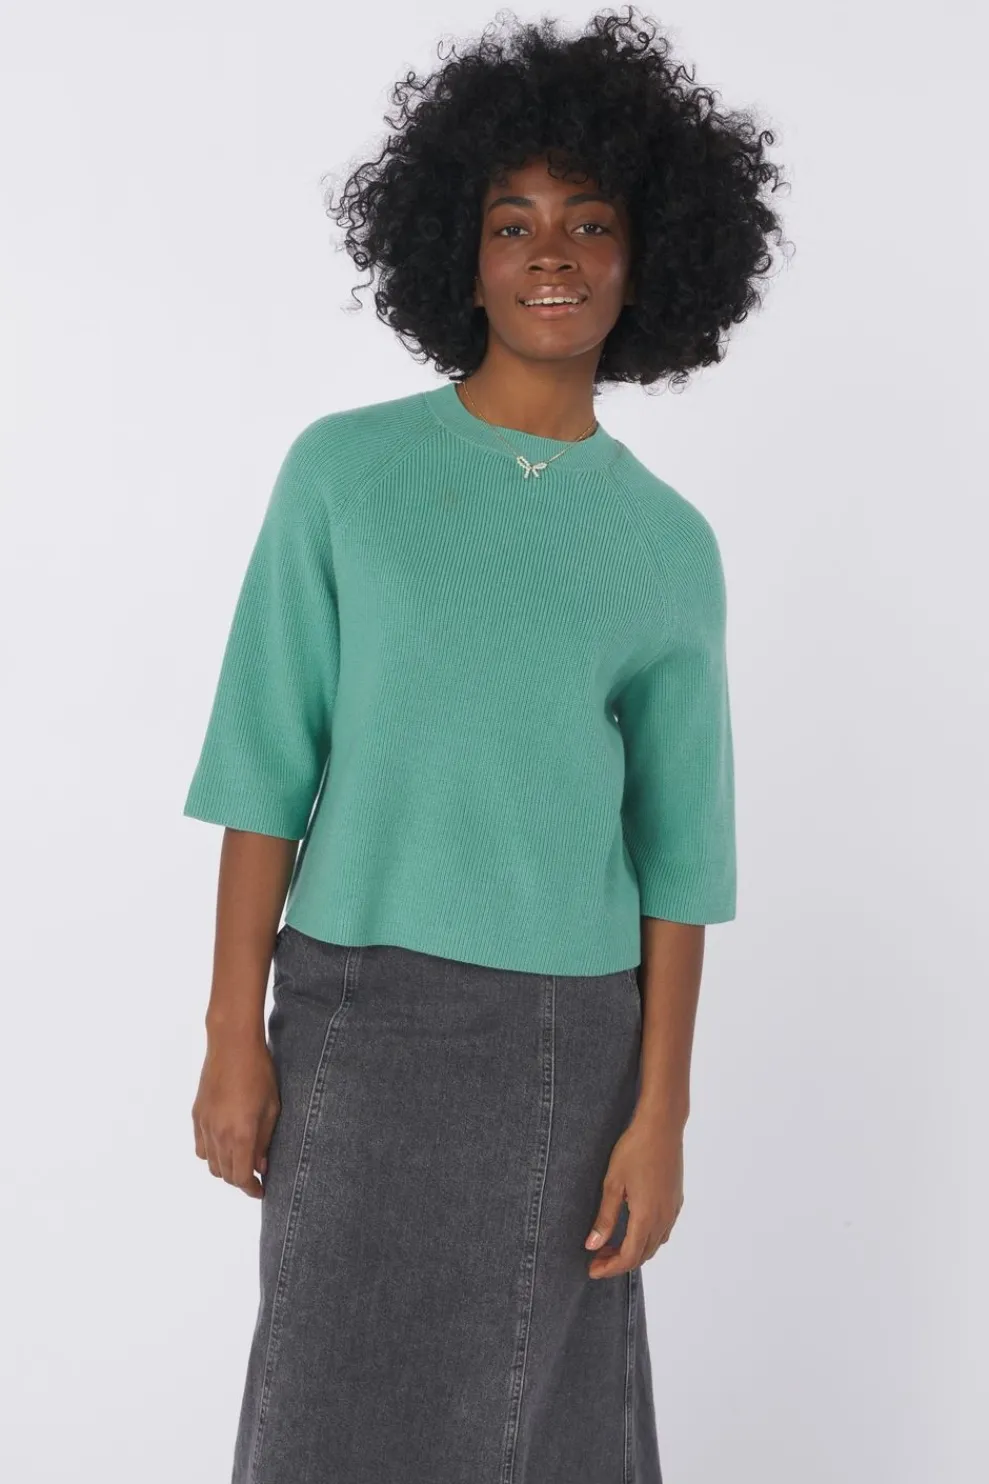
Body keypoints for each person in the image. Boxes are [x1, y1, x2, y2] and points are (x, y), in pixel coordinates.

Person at [184, 9, 786, 1482]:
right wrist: (230, 1034)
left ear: (647, 260)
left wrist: (663, 1111)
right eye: (513, 224)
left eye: (591, 223)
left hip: (566, 1044)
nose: (552, 255)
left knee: (542, 1421)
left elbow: (680, 860)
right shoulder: (345, 475)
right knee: (324, 1408)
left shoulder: (667, 545)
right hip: (354, 1016)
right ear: (460, 257)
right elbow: (265, 766)